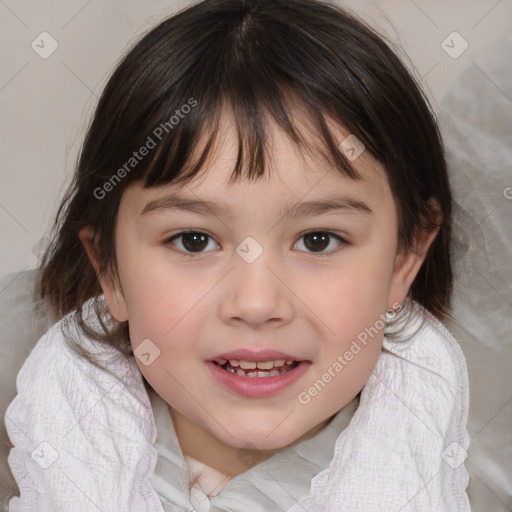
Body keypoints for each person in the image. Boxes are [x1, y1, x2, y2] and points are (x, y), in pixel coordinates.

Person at [4, 0, 471, 510]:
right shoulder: (42, 432)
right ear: (109, 270)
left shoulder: (453, 447)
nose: (255, 302)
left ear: (406, 258)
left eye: (318, 240)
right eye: (193, 240)